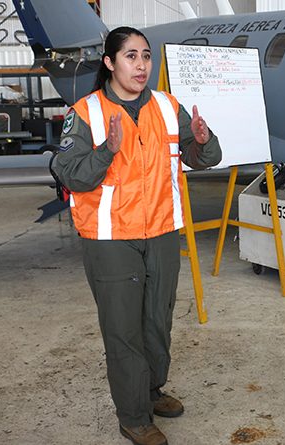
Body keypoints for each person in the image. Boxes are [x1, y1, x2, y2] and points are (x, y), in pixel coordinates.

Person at [51, 26, 223, 445]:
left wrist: (203, 141)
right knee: (123, 329)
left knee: (156, 322)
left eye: (146, 56)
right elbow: (68, 173)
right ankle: (133, 416)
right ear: (109, 63)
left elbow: (202, 158)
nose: (141, 65)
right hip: (111, 238)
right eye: (130, 56)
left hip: (162, 230)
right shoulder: (86, 112)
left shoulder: (166, 105)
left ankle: (150, 389)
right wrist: (106, 150)